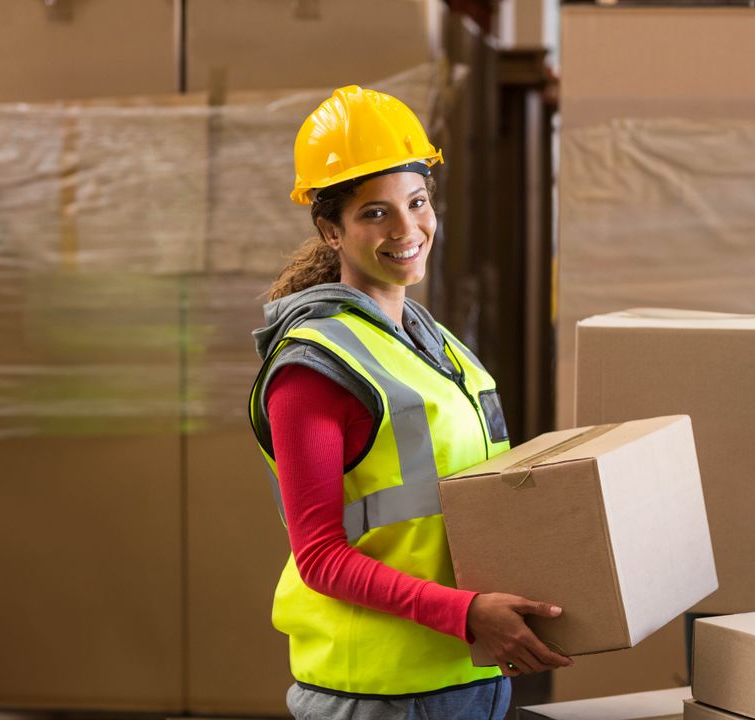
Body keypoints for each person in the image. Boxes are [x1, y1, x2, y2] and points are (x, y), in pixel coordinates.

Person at [248, 85, 572, 720]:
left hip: (466, 670)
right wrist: (469, 612)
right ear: (329, 229)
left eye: (417, 203)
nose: (407, 229)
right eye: (375, 213)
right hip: (377, 693)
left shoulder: (433, 343)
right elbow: (320, 558)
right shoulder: (313, 367)